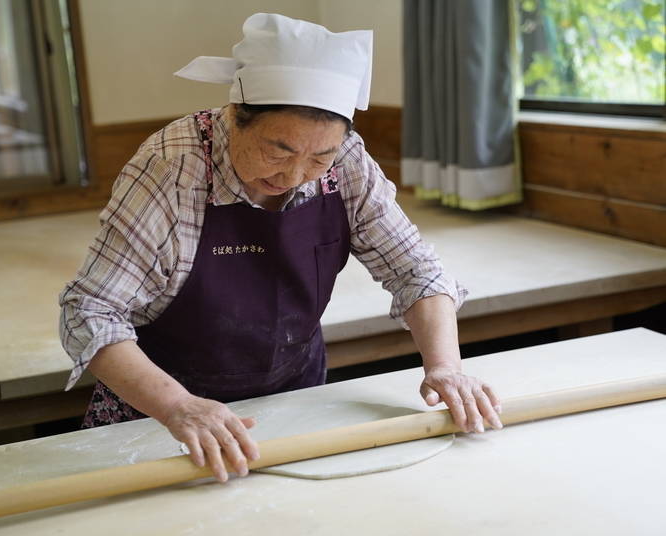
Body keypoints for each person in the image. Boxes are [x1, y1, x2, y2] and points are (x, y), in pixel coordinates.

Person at [59, 13, 502, 484]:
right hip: (162, 415)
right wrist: (178, 406)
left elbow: (417, 271)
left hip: (293, 401)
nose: (293, 177)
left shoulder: (347, 160)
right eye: (278, 152)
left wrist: (447, 368)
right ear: (235, 117)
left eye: (319, 158)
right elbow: (90, 311)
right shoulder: (173, 166)